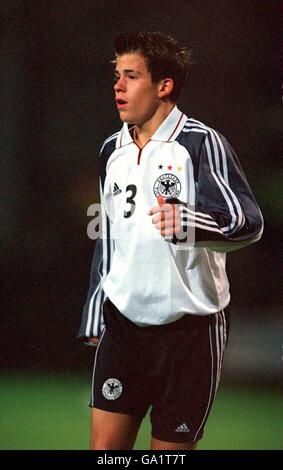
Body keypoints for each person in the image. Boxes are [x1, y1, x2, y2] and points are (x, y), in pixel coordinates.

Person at [78, 31, 263, 450]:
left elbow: (247, 222)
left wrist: (189, 221)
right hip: (123, 325)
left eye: (131, 76)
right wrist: (95, 310)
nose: (118, 86)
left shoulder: (200, 142)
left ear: (164, 86)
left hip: (190, 331)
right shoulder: (113, 149)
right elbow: (107, 235)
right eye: (116, 76)